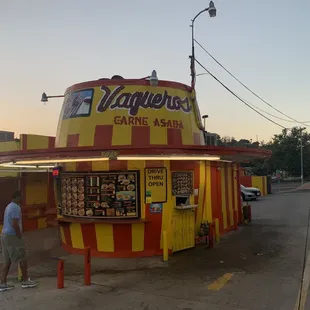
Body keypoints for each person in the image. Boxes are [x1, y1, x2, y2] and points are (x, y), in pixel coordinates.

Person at [0, 191, 38, 291]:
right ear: (17, 197)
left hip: (4, 235)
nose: (22, 199)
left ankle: (2, 283)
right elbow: (14, 224)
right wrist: (19, 235)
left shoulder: (9, 206)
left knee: (6, 261)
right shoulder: (15, 207)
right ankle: (25, 281)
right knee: (22, 257)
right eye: (21, 197)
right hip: (12, 236)